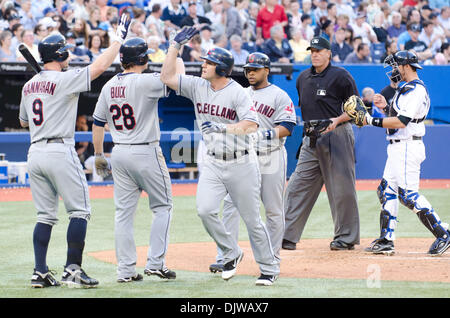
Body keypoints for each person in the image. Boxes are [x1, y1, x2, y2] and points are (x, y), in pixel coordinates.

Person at [160, 27, 280, 286]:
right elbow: (167, 76)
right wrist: (174, 46)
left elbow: (252, 124)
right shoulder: (197, 85)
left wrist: (223, 127)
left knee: (251, 219)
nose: (204, 65)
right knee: (204, 210)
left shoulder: (238, 91)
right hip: (213, 161)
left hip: (241, 162)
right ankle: (231, 251)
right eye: (204, 61)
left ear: (222, 68)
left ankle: (269, 268)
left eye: (209, 62)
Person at [19, 14, 130, 289]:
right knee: (79, 211)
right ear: (60, 54)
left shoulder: (28, 85)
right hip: (60, 150)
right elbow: (99, 67)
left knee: (45, 216)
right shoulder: (64, 79)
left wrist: (45, 93)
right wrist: (117, 40)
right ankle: (73, 269)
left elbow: (23, 121)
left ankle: (40, 271)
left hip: (35, 153)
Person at [92, 37, 184, 283]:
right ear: (142, 59)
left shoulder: (109, 84)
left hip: (119, 151)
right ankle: (155, 263)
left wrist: (99, 155)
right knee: (162, 206)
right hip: (145, 150)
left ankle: (125, 271)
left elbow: (98, 122)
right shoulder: (146, 81)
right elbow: (176, 77)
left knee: (123, 213)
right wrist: (177, 50)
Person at [351, 50, 450, 256]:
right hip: (398, 146)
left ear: (406, 66)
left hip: (407, 146)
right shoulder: (405, 88)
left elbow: (401, 122)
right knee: (386, 190)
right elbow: (398, 117)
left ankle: (443, 234)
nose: (393, 70)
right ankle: (387, 239)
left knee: (408, 195)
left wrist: (369, 120)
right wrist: (385, 106)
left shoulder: (415, 90)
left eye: (396, 65)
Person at [208, 52, 297, 272]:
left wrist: (262, 135)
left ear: (267, 70)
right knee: (230, 206)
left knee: (273, 209)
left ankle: (273, 256)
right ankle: (227, 256)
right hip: (245, 156)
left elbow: (287, 127)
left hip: (271, 155)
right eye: (248, 69)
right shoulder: (241, 93)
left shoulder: (279, 95)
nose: (250, 73)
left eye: (255, 69)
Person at [282, 36, 360, 252]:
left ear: (329, 53)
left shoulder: (341, 76)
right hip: (311, 136)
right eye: (312, 50)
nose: (315, 53)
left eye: (319, 50)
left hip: (337, 133)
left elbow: (357, 107)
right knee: (297, 185)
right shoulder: (303, 77)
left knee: (341, 189)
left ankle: (345, 237)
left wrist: (337, 120)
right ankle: (286, 235)